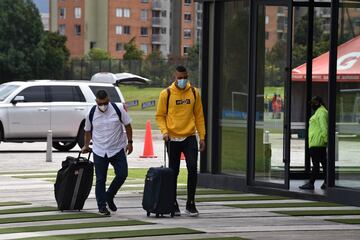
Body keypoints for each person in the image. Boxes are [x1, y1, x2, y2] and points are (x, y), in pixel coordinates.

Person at [155, 65, 206, 217]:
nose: (182, 80)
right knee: (173, 171)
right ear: (174, 77)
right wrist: (165, 132)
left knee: (192, 168)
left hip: (189, 136)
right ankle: (173, 202)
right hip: (172, 138)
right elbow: (160, 116)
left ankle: (191, 203)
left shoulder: (194, 93)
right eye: (180, 78)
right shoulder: (167, 94)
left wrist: (202, 136)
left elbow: (199, 116)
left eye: (185, 77)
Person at [81, 90, 133, 215]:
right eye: (100, 103)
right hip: (99, 150)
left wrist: (130, 142)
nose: (102, 106)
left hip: (117, 148)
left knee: (122, 174)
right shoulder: (91, 112)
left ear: (108, 99)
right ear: (96, 102)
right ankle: (102, 206)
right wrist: (86, 145)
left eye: (104, 103)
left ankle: (109, 195)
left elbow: (128, 125)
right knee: (100, 179)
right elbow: (87, 131)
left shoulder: (118, 108)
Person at [299, 96, 328, 190]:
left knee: (316, 164)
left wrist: (326, 140)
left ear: (318, 103)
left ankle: (311, 183)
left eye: (313, 103)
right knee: (323, 163)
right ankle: (327, 182)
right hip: (318, 142)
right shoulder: (320, 112)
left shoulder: (321, 113)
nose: (312, 106)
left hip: (317, 143)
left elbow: (324, 127)